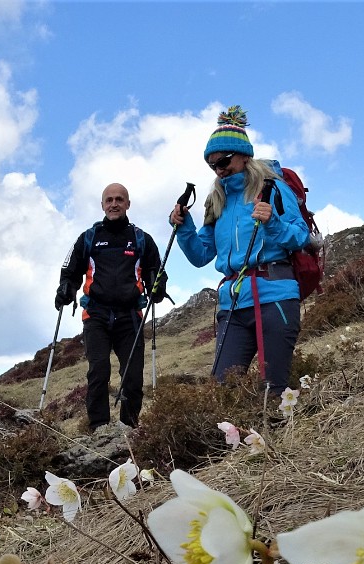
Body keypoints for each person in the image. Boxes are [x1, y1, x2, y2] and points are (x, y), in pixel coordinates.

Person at [169, 106, 309, 398]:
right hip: (232, 304)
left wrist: (272, 223)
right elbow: (200, 255)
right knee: (221, 392)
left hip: (276, 296)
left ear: (244, 155)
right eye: (213, 164)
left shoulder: (273, 187)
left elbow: (300, 236)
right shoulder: (216, 200)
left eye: (224, 160)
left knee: (274, 390)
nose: (219, 169)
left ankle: (283, 441)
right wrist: (184, 227)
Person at [55, 183, 163, 430]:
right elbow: (70, 270)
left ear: (128, 204)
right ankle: (99, 427)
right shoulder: (89, 238)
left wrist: (158, 286)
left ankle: (129, 427)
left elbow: (155, 271)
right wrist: (66, 289)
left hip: (130, 317)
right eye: (109, 200)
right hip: (96, 315)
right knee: (98, 371)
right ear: (102, 205)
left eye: (119, 199)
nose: (114, 204)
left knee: (133, 377)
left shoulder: (141, 239)